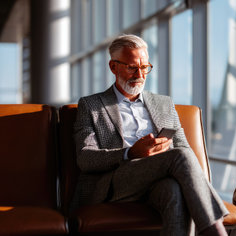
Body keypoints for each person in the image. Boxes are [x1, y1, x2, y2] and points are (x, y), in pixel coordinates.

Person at [72, 34, 228, 235]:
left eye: (145, 67)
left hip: (160, 177)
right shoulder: (91, 105)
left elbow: (184, 148)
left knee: (173, 191)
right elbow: (85, 157)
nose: (140, 74)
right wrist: (130, 153)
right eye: (132, 67)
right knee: (178, 156)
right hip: (117, 181)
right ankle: (215, 230)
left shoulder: (164, 104)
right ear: (113, 67)